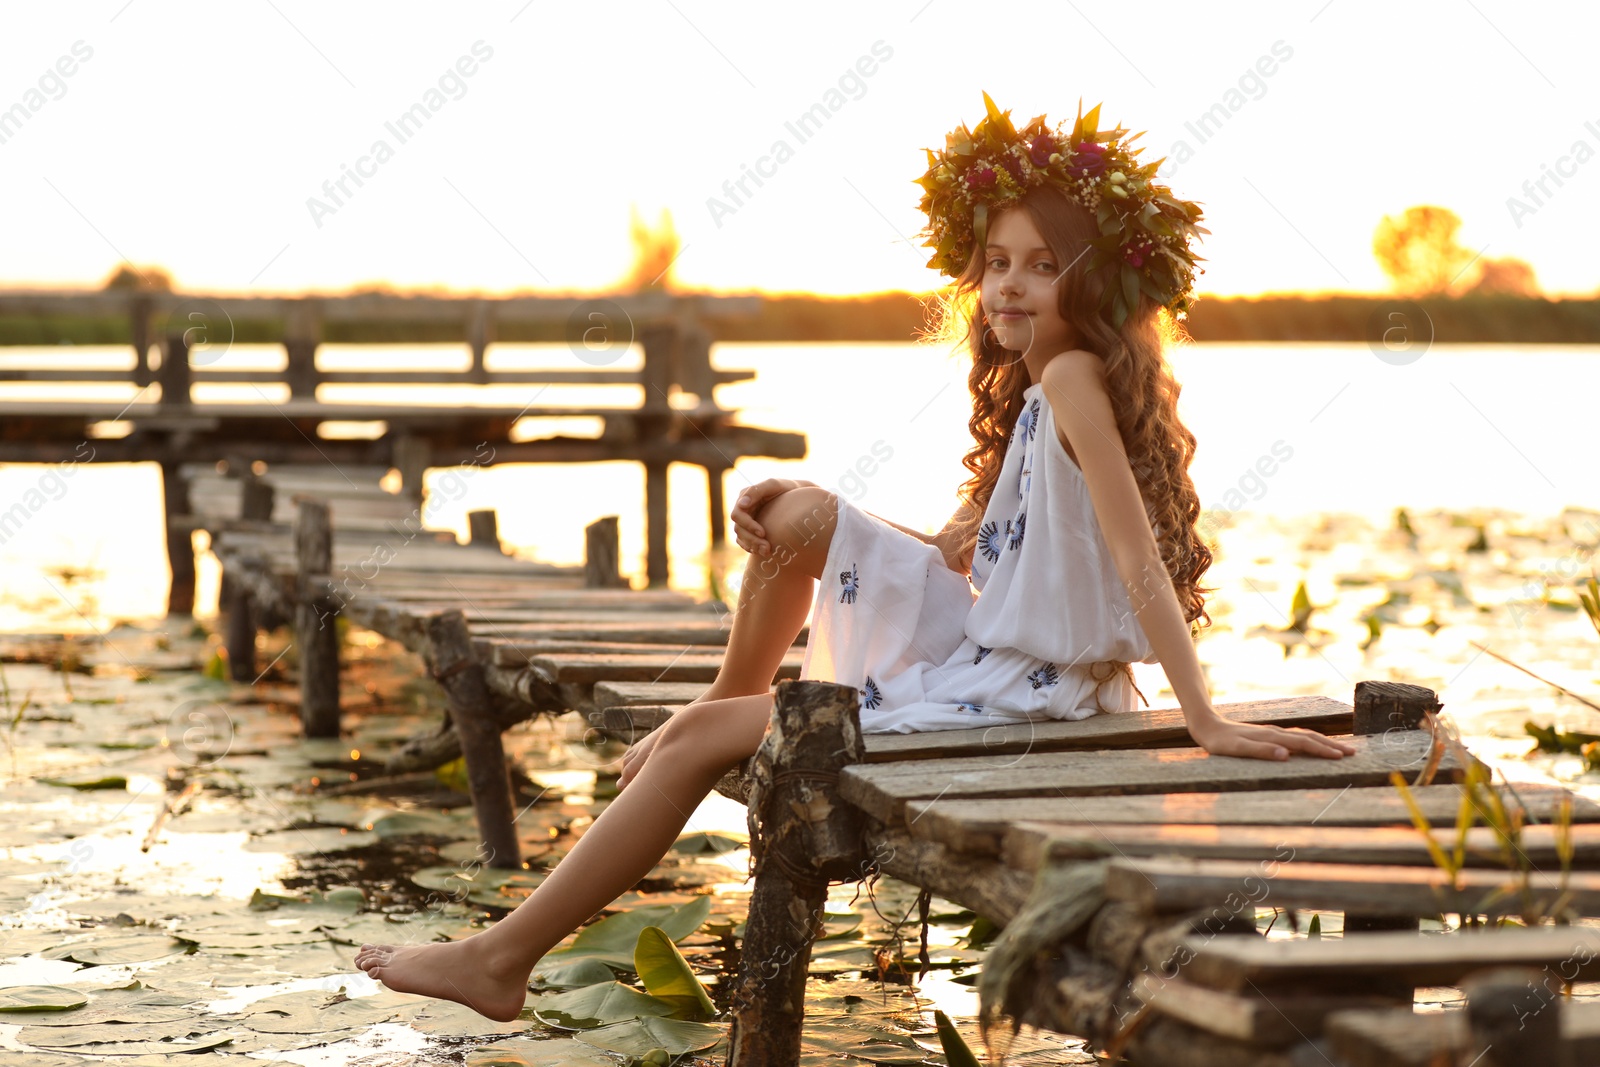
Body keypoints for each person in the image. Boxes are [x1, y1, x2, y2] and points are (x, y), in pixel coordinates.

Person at [354, 92, 1355, 1021]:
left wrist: (1201, 714)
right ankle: (690, 726)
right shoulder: (1048, 385)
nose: (1008, 282)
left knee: (709, 738)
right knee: (782, 557)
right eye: (997, 259)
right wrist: (818, 517)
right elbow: (983, 558)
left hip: (1023, 700)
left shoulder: (1076, 379)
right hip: (998, 661)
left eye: (1043, 265)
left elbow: (1137, 558)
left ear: (1093, 282)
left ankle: (502, 956)